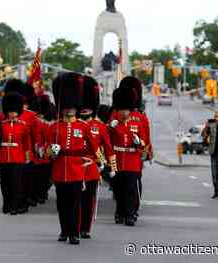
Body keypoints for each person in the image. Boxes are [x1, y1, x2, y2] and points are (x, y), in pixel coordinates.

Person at [47, 72, 101, 245]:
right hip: (60, 169)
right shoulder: (54, 126)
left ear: (76, 107)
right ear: (62, 108)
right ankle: (64, 230)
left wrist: (92, 159)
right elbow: (46, 150)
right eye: (66, 107)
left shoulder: (83, 126)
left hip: (77, 169)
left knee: (75, 203)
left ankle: (75, 233)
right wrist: (51, 151)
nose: (69, 109)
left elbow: (93, 148)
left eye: (72, 107)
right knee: (62, 204)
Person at [79, 76, 117, 239]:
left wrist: (113, 167)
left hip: (92, 167)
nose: (86, 109)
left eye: (89, 107)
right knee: (74, 201)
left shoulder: (99, 126)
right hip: (74, 167)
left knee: (89, 201)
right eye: (83, 106)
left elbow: (108, 148)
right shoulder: (71, 124)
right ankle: (73, 226)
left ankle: (85, 228)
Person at [110, 87, 145, 227]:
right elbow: (108, 142)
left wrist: (138, 142)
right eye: (121, 110)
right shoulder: (114, 124)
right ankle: (120, 213)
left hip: (132, 161)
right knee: (118, 190)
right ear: (118, 110)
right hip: (118, 160)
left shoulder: (137, 123)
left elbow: (143, 141)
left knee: (131, 190)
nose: (124, 112)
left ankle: (130, 215)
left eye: (126, 110)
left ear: (130, 110)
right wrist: (110, 129)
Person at [0, 92, 31, 215]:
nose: (12, 113)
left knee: (15, 183)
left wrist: (27, 157)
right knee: (4, 183)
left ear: (18, 112)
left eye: (14, 111)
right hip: (3, 158)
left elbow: (27, 143)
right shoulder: (2, 126)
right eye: (10, 111)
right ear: (7, 112)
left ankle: (14, 206)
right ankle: (6, 203)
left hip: (17, 158)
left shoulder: (23, 126)